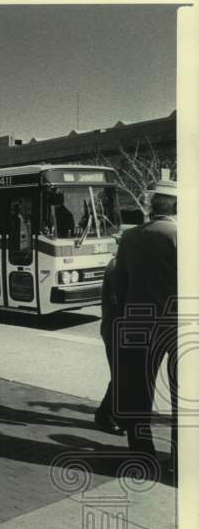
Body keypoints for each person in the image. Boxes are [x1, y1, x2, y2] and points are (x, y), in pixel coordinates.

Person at [111, 180, 178, 476]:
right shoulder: (183, 236)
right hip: (177, 322)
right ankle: (180, 460)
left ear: (153, 206)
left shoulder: (131, 237)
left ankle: (142, 456)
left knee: (138, 392)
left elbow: (119, 283)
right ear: (177, 206)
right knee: (182, 393)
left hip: (137, 319)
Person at [93, 255, 123, 435]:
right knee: (122, 375)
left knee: (124, 374)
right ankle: (104, 414)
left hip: (117, 327)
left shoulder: (122, 262)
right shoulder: (117, 265)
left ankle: (111, 413)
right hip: (116, 328)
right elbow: (119, 297)